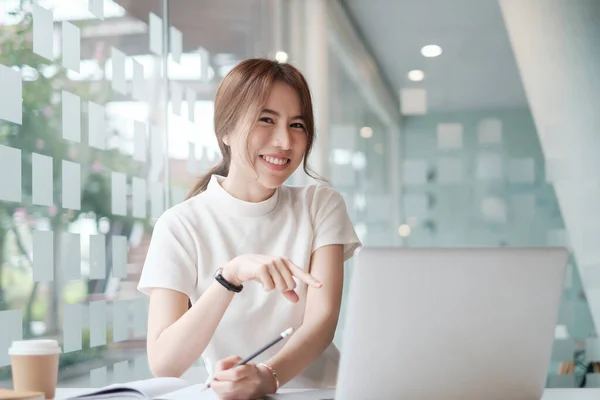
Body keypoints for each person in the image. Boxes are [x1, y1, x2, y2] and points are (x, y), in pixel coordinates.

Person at [137, 58, 361, 400]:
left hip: (323, 393)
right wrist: (230, 276)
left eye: (297, 125)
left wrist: (268, 377)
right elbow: (165, 363)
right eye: (266, 120)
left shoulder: (320, 204)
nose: (284, 141)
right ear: (225, 131)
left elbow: (322, 322)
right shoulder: (180, 225)